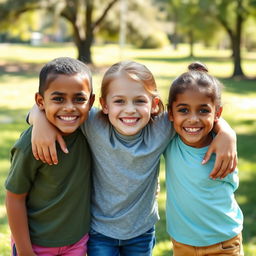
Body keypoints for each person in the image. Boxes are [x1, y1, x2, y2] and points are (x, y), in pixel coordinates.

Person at [28, 60, 237, 256]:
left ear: (154, 104)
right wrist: (39, 121)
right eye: (119, 101)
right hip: (101, 231)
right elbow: (51, 108)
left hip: (141, 232)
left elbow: (195, 112)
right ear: (104, 105)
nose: (130, 110)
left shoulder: (162, 127)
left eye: (139, 101)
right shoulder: (93, 124)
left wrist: (227, 132)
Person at [5, 57, 95, 256]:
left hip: (77, 243)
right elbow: (14, 198)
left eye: (79, 99)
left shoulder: (90, 130)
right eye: (58, 99)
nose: (70, 107)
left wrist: (37, 116)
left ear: (91, 102)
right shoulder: (30, 145)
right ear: (40, 101)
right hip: (36, 246)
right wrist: (25, 251)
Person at [164, 62, 243, 256]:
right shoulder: (168, 139)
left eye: (203, 110)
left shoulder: (223, 146)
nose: (193, 119)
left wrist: (226, 132)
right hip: (182, 244)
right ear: (170, 113)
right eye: (183, 110)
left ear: (217, 113)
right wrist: (227, 130)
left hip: (223, 242)